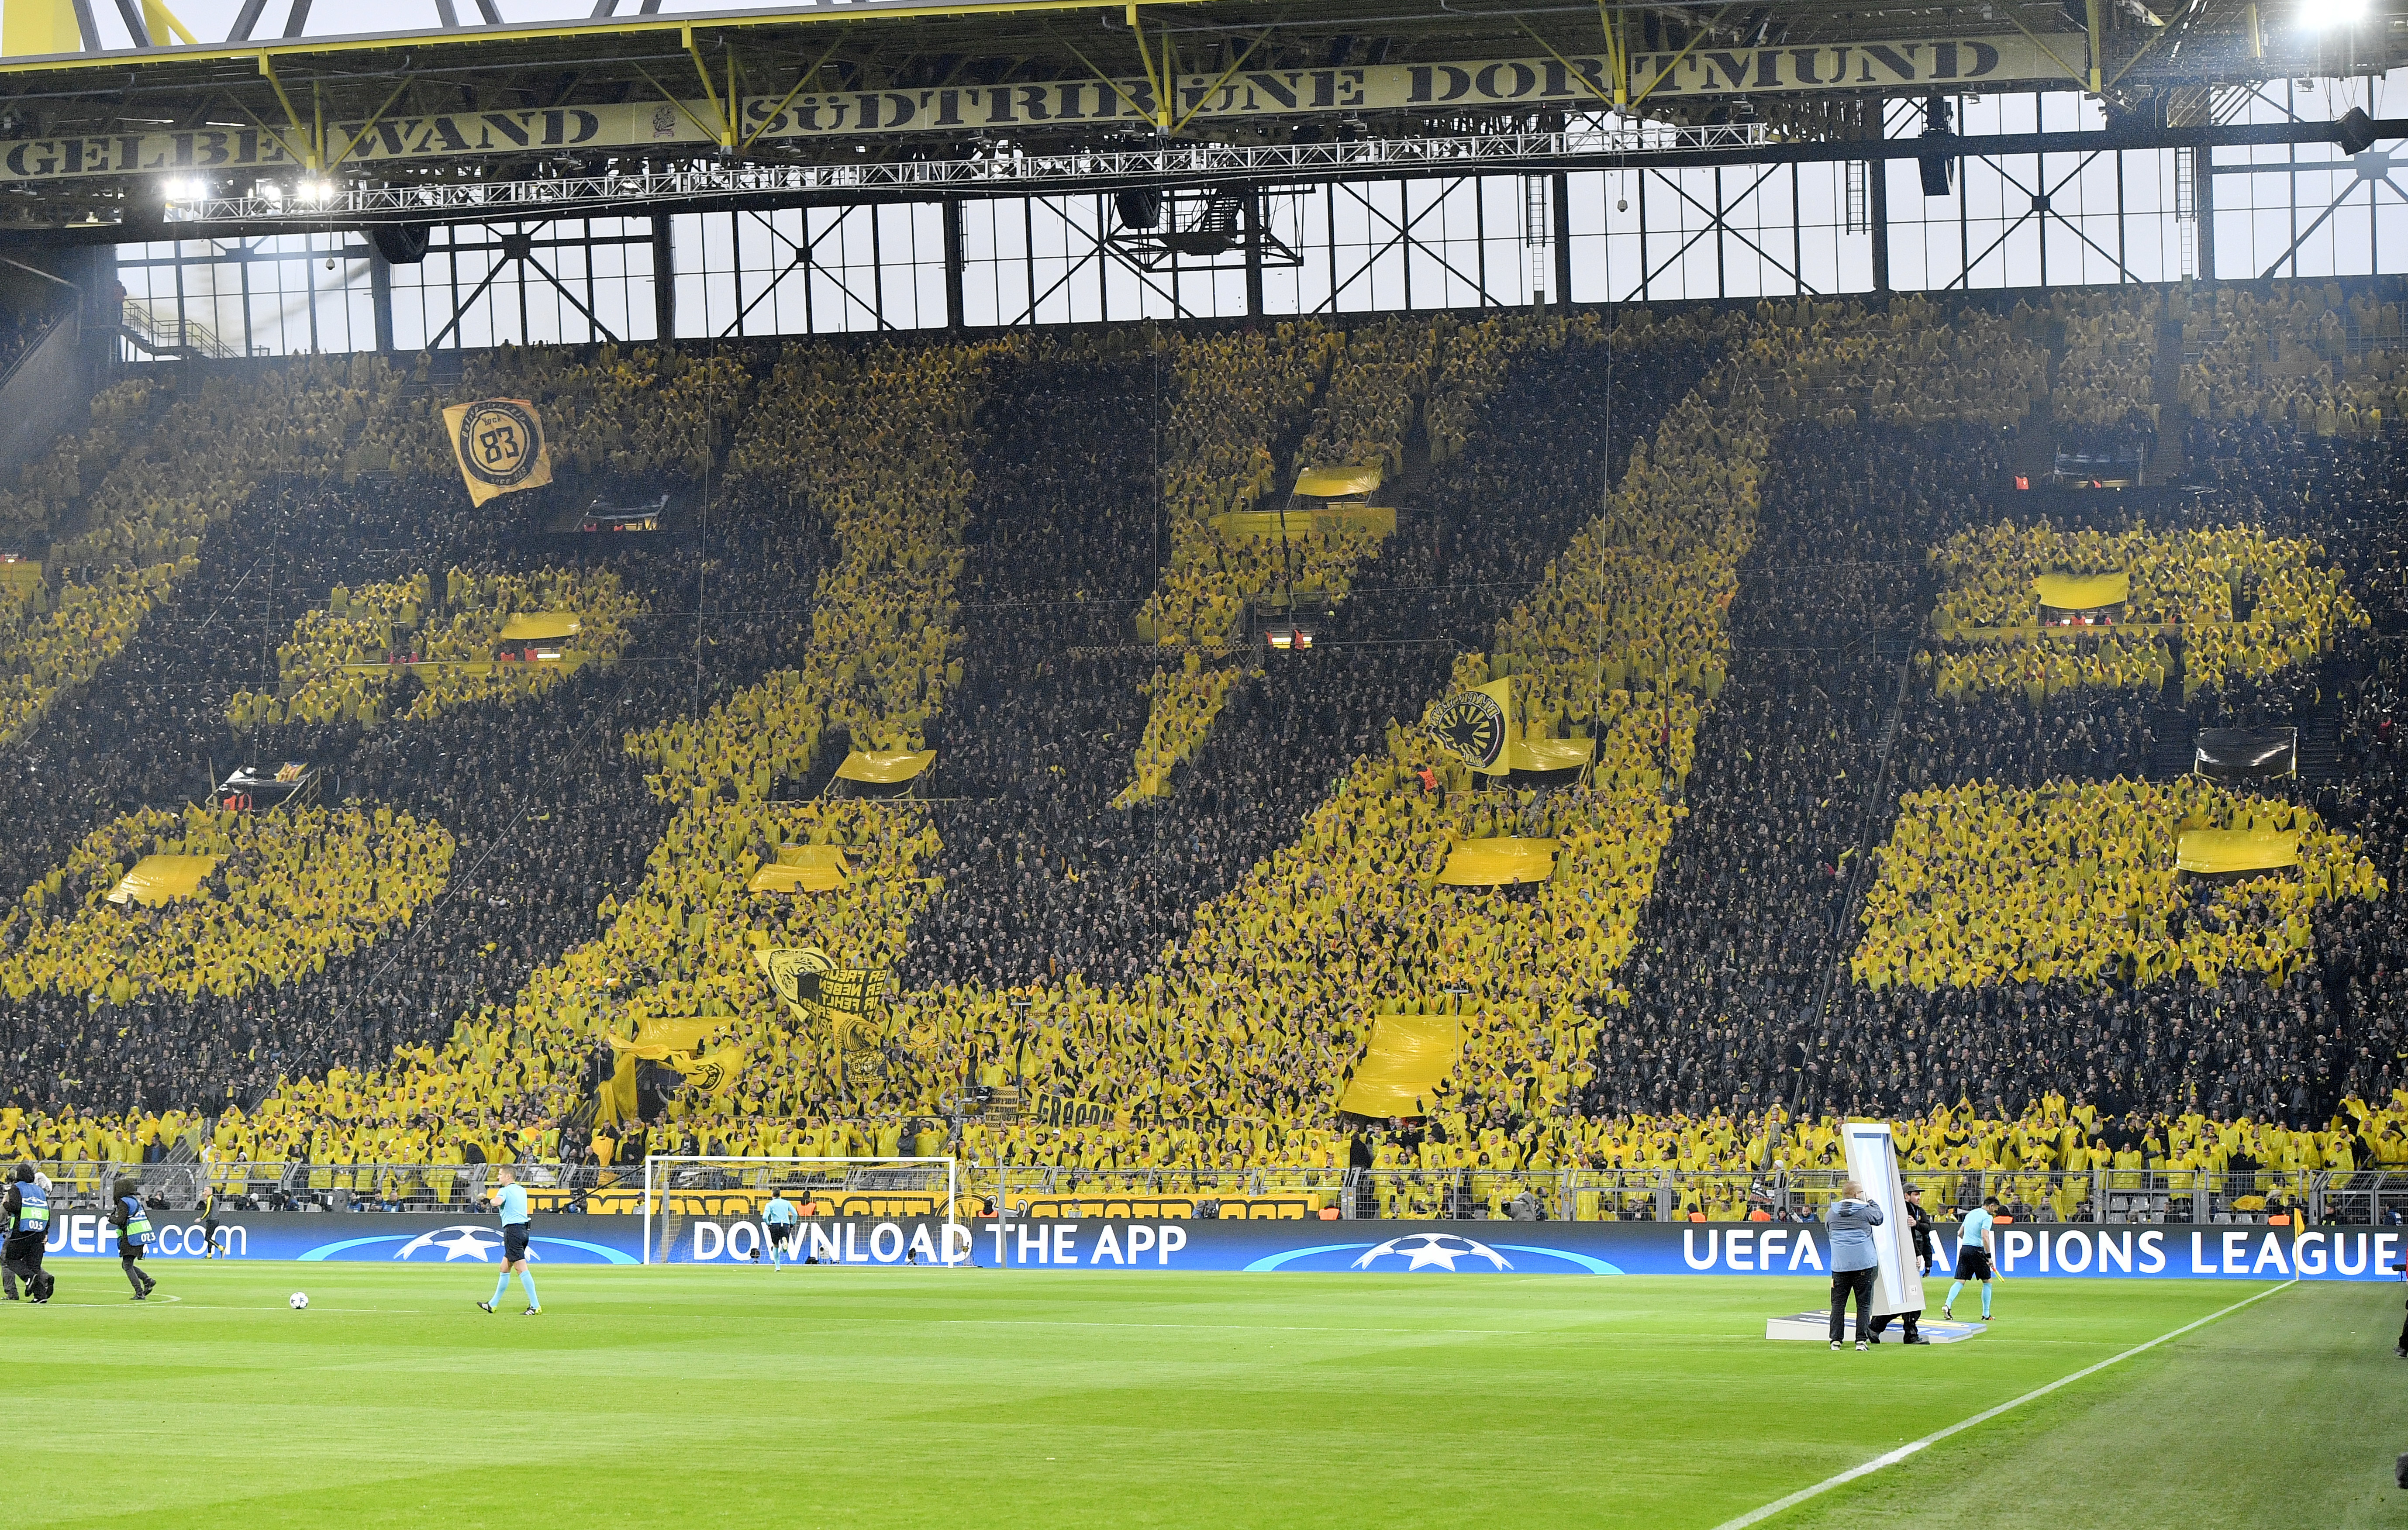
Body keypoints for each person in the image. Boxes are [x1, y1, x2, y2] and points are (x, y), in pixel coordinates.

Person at [1825, 1178, 1885, 1352]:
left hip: (1839, 1266)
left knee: (1838, 1305)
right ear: (1858, 1194)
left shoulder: (1831, 1213)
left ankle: (1836, 1341)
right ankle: (1861, 1341)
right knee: (1864, 1305)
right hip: (1864, 1265)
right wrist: (1872, 1201)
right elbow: (1879, 1218)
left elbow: (1829, 1231)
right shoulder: (1865, 1210)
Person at [477, 1165, 540, 1315]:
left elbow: (498, 1202)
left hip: (513, 1231)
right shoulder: (522, 1190)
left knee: (521, 1269)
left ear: (508, 1177)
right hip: (524, 1231)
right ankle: (492, 1304)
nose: (498, 1177)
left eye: (500, 1175)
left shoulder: (504, 1191)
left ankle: (535, 1306)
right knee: (504, 1267)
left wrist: (490, 1201)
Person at [2, 1162, 54, 1304]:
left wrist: (5, 1203)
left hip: (22, 1230)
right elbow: (47, 1212)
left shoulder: (16, 1188)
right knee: (33, 1265)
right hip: (39, 1232)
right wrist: (46, 1233)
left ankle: (28, 1278)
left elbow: (15, 1207)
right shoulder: (39, 1190)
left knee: (10, 1260)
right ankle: (40, 1296)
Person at [1945, 1194, 2001, 1323]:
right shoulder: (1987, 1217)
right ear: (1991, 1206)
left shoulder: (1970, 1214)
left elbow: (1960, 1233)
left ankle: (1948, 1305)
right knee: (1987, 1282)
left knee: (1960, 1281)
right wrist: (1989, 1256)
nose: (1995, 1212)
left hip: (1965, 1249)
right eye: (1995, 1209)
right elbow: (1985, 1237)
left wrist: (1968, 1242)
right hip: (1977, 1251)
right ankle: (1986, 1314)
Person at [110, 1176, 158, 1301]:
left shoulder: (123, 1202)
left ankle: (139, 1292)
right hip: (140, 1236)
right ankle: (147, 1280)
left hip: (131, 1236)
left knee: (127, 1265)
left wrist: (110, 1219)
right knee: (127, 1264)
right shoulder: (135, 1200)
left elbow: (121, 1220)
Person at [762, 1189, 799, 1270]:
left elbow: (765, 1217)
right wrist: (792, 1224)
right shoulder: (786, 1203)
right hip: (785, 1225)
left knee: (775, 1246)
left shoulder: (770, 1204)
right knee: (785, 1248)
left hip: (775, 1225)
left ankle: (778, 1267)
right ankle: (784, 1244)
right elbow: (795, 1214)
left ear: (772, 1195)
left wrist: (769, 1224)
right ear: (780, 1195)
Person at [1904, 1184, 1935, 1276]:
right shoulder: (1903, 1211)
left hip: (1919, 1248)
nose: (1919, 1198)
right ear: (1907, 1196)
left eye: (1919, 1195)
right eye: (1916, 1195)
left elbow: (1927, 1228)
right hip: (1908, 1250)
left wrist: (1916, 1224)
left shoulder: (1920, 1211)